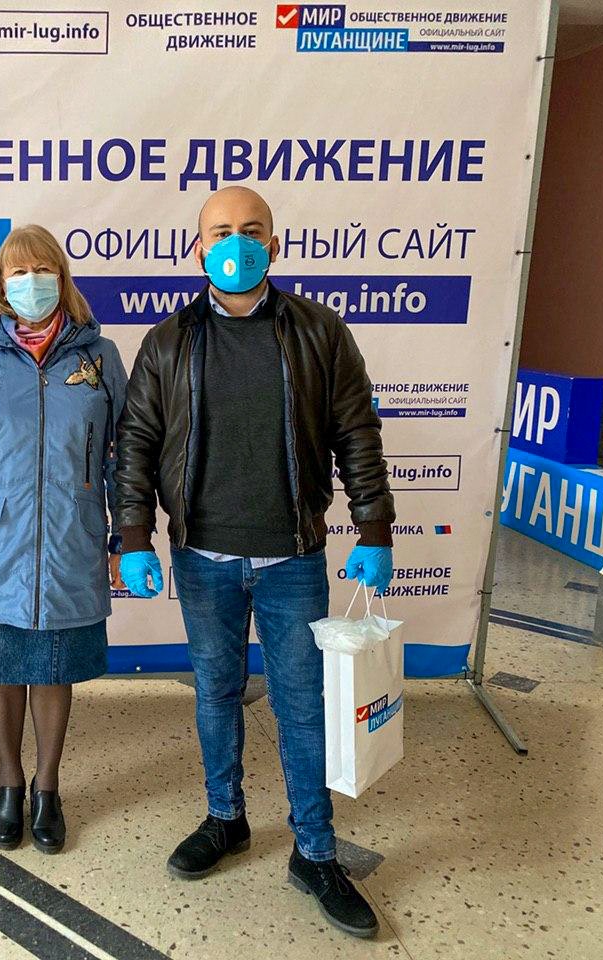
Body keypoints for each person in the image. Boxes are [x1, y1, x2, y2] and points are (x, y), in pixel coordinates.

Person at [114, 186, 394, 938]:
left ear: (274, 243)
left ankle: (315, 852)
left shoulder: (319, 331)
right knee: (216, 692)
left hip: (290, 558)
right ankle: (226, 818)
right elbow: (136, 443)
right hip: (202, 556)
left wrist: (374, 528)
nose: (235, 244)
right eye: (220, 232)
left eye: (251, 230)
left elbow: (357, 433)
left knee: (301, 706)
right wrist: (132, 536)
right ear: (198, 248)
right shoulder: (169, 341)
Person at [0, 224, 127, 854]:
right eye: (18, 271)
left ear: (61, 277)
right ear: (0, 284)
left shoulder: (99, 358)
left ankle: (47, 787)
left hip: (70, 537)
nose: (31, 281)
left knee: (54, 667)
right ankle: (9, 783)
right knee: (1, 665)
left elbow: (124, 457)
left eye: (42, 269)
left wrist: (126, 538)